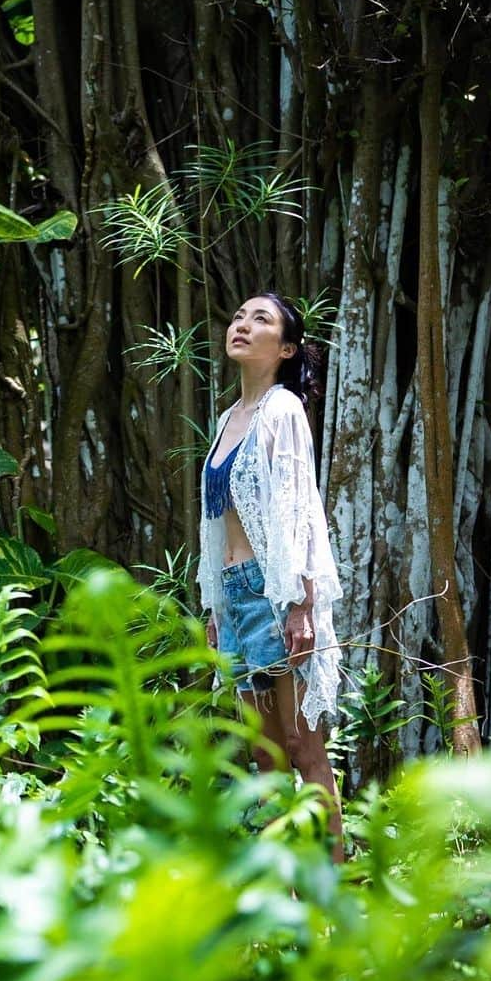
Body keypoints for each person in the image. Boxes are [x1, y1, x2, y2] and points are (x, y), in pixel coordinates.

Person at [197, 292, 344, 858]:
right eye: (237, 315)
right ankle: (281, 894)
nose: (242, 324)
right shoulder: (227, 418)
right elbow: (216, 525)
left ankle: (338, 890)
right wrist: (215, 608)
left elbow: (299, 512)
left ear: (284, 349)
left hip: (275, 593)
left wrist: (303, 605)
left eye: (261, 319)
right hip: (234, 601)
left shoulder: (283, 410)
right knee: (264, 758)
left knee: (302, 751)